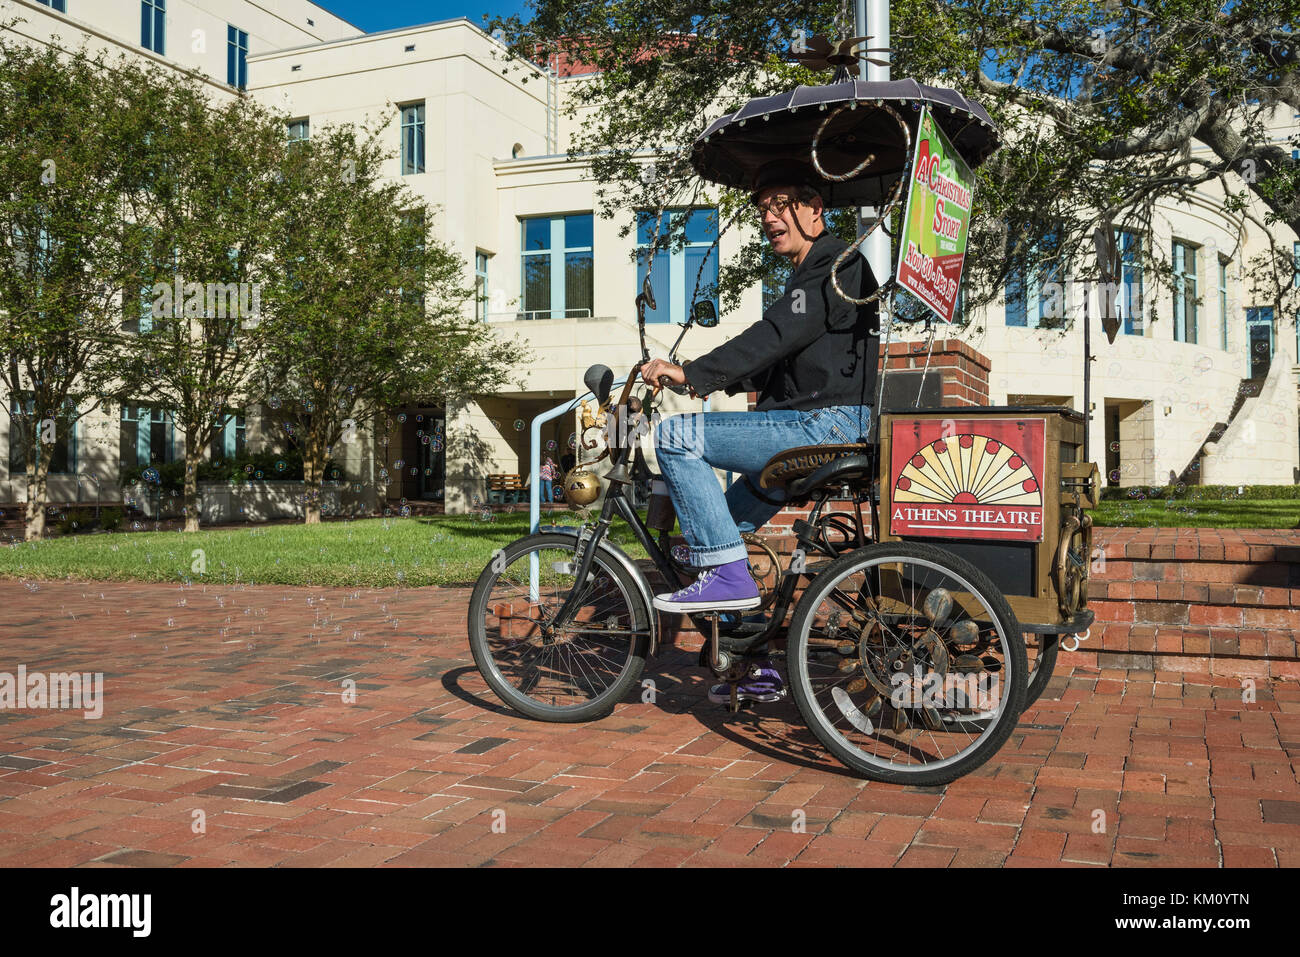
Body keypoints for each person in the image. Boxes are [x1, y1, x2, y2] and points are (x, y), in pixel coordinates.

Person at [641, 158, 879, 704]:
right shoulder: (814, 271)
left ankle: (729, 582)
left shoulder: (834, 263)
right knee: (710, 546)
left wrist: (693, 373)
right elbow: (782, 350)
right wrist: (717, 383)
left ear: (814, 210)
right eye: (761, 208)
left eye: (780, 204)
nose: (768, 217)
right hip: (818, 424)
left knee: (678, 438)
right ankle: (755, 667)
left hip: (825, 426)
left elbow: (774, 333)